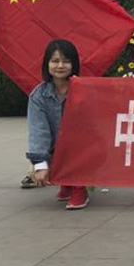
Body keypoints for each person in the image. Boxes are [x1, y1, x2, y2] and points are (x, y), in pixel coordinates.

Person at [18, 0, 117, 189]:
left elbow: (106, 3)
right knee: (44, 112)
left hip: (79, 48)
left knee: (81, 113)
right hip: (46, 47)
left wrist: (126, 23)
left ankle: (83, 169)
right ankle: (39, 165)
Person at [26, 39, 88, 209]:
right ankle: (65, 180)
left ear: (74, 64)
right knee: (44, 156)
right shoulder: (38, 96)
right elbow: (38, 131)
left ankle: (79, 187)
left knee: (79, 145)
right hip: (56, 148)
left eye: (66, 61)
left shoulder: (85, 90)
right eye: (55, 61)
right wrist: (40, 164)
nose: (60, 66)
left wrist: (81, 95)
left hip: (83, 148)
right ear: (47, 64)